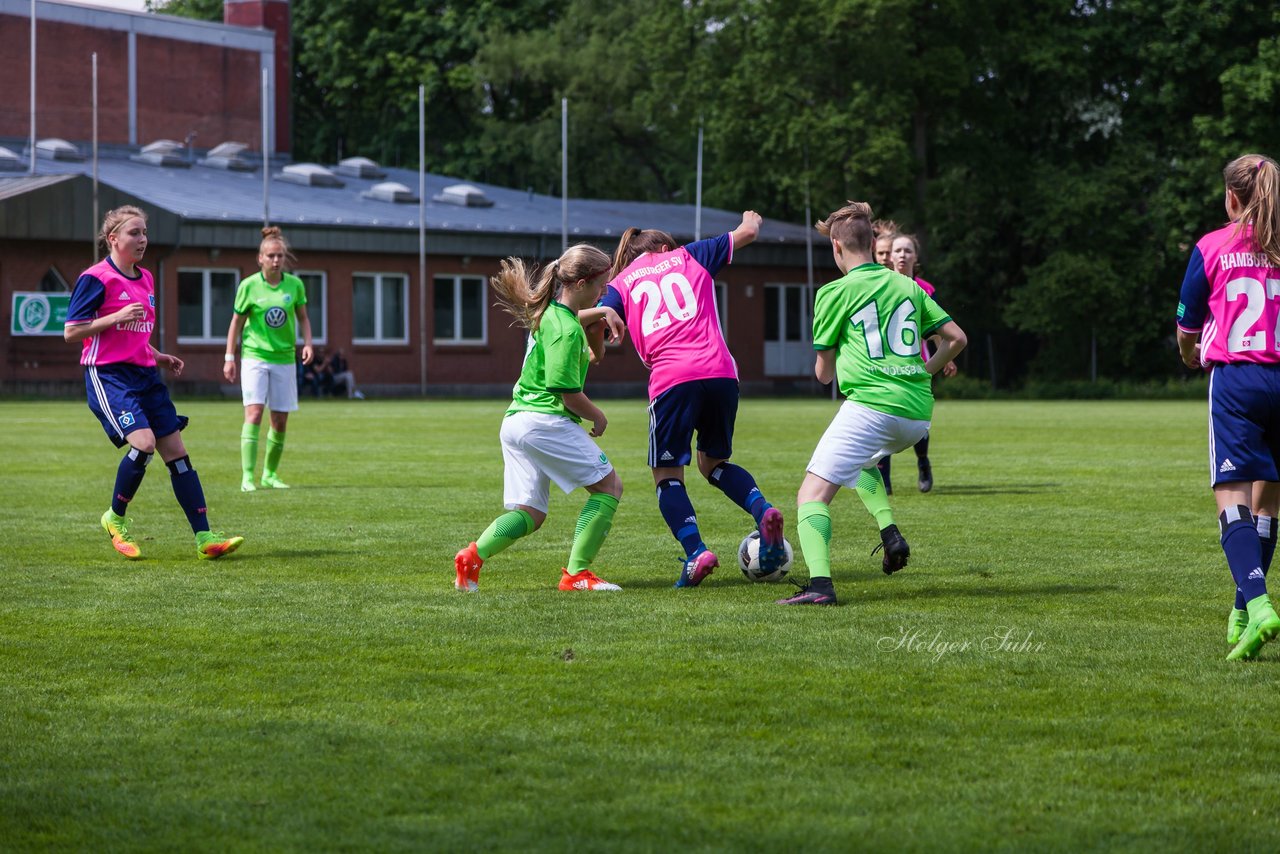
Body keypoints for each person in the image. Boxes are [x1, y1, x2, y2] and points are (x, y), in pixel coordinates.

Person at [779, 201, 965, 605]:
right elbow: (957, 339)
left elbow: (824, 374)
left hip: (871, 409)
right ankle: (890, 533)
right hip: (917, 415)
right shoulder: (909, 287)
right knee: (861, 464)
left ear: (836, 247)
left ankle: (820, 588)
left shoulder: (833, 292)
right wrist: (924, 371)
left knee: (810, 495)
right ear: (872, 243)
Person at [598, 211, 787, 588]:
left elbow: (593, 324)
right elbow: (747, 232)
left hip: (671, 379)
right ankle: (762, 510)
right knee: (714, 463)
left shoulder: (618, 284)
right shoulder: (690, 255)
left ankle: (696, 551)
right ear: (665, 247)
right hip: (721, 372)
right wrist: (751, 219)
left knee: (667, 475)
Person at [64, 205, 244, 561]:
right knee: (144, 443)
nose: (143, 239)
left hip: (146, 374)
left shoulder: (145, 278)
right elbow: (72, 332)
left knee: (177, 453)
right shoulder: (96, 278)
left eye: (145, 232)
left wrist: (157, 354)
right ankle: (114, 518)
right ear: (113, 239)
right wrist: (115, 315)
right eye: (134, 233)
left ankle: (205, 538)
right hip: (109, 375)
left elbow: (132, 333)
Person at [453, 244, 625, 592]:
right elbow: (566, 392)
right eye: (601, 284)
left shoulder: (549, 314)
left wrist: (603, 311)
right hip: (544, 422)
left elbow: (575, 320)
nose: (604, 290)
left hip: (516, 421)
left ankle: (472, 557)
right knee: (609, 487)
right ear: (579, 283)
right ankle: (577, 575)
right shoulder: (565, 329)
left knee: (531, 513)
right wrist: (598, 416)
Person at [1176, 152, 1280, 660]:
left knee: (1232, 498)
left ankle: (1259, 605)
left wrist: (1188, 353)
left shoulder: (1212, 245)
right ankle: (1241, 611)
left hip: (1237, 380)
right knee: (1269, 502)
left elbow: (1187, 326)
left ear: (1232, 197)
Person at [223, 226, 314, 492]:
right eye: (271, 255)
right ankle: (248, 477)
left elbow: (304, 318)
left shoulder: (294, 285)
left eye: (280, 256)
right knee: (254, 413)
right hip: (255, 358)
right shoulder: (248, 286)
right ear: (260, 258)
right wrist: (230, 357)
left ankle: (270, 474)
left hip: (284, 358)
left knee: (280, 419)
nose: (276, 260)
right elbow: (236, 323)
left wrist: (308, 343)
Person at [873, 231, 959, 494]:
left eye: (905, 250)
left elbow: (935, 327)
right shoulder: (880, 285)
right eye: (893, 251)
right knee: (884, 415)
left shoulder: (924, 290)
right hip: (886, 364)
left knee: (917, 418)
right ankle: (884, 481)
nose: (898, 255)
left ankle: (922, 462)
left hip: (917, 365)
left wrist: (944, 356)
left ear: (915, 257)